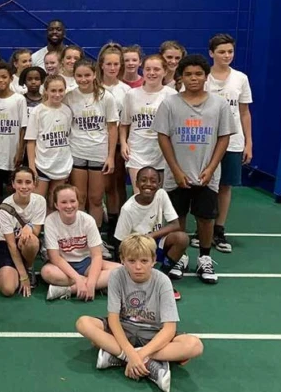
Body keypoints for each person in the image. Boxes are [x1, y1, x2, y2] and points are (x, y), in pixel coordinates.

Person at [75, 234, 204, 392]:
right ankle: (149, 364)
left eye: (144, 261)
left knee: (194, 345)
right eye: (131, 261)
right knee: (84, 323)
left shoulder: (162, 281)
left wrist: (140, 354)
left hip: (153, 334)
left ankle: (117, 355)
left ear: (153, 260)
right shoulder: (116, 275)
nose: (138, 267)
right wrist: (131, 353)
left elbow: (169, 329)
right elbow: (113, 319)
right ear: (122, 260)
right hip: (125, 328)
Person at [152, 54, 236, 284]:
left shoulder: (218, 104)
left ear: (206, 76)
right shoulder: (170, 103)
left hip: (206, 175)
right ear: (181, 77)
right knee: (177, 218)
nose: (193, 78)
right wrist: (176, 170)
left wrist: (210, 168)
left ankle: (205, 258)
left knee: (206, 218)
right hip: (176, 175)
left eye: (198, 74)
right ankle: (180, 256)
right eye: (188, 74)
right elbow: (163, 137)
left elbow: (223, 138)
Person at [199, 33, 253, 253]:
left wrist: (249, 142)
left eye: (230, 51)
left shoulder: (240, 78)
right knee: (203, 184)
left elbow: (244, 112)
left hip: (233, 141)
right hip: (205, 141)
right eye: (221, 51)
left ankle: (219, 230)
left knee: (225, 186)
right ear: (211, 53)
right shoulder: (203, 77)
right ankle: (204, 229)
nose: (226, 55)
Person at [65, 59, 119, 257]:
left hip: (98, 152)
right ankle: (78, 239)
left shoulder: (106, 97)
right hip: (77, 151)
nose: (83, 79)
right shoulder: (69, 96)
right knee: (79, 199)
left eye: (87, 75)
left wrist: (111, 156)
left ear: (94, 74)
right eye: (79, 75)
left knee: (96, 199)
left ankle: (95, 240)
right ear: (74, 76)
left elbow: (112, 126)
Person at [114, 166, 188, 300]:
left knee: (182, 238)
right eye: (143, 180)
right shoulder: (128, 209)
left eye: (153, 181)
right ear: (136, 184)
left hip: (155, 242)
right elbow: (120, 242)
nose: (148, 184)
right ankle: (142, 280)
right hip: (136, 249)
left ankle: (160, 277)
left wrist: (150, 236)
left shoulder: (161, 195)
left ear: (159, 184)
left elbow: (175, 224)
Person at [41, 184, 122, 301]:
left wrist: (92, 283)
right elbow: (55, 258)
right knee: (46, 272)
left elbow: (97, 255)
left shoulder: (88, 220)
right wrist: (78, 279)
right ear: (56, 205)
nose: (69, 206)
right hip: (63, 266)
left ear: (78, 202)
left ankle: (68, 290)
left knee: (121, 270)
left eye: (72, 201)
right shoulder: (50, 221)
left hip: (86, 263)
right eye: (63, 202)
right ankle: (99, 285)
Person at [121, 55, 178, 191]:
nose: (152, 73)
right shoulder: (131, 94)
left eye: (156, 69)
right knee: (139, 195)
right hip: (136, 151)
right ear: (143, 71)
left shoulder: (171, 95)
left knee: (158, 197)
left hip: (161, 153)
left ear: (164, 71)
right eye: (148, 69)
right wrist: (123, 143)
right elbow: (124, 124)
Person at [98, 43, 133, 253]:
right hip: (93, 144)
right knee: (95, 189)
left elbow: (126, 121)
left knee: (116, 186)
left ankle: (116, 226)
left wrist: (123, 143)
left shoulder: (126, 90)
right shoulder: (92, 87)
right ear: (101, 65)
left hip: (117, 144)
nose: (112, 67)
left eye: (116, 64)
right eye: (108, 64)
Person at [0, 62, 27, 230]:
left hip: (12, 151)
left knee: (11, 187)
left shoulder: (18, 99)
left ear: (10, 78)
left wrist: (20, 151)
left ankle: (11, 219)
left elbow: (23, 127)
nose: (0, 80)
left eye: (4, 77)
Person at [0, 166, 46, 298]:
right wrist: (23, 278)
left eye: (28, 182)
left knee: (32, 241)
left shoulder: (40, 201)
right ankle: (19, 271)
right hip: (7, 244)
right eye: (19, 182)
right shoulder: (5, 207)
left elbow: (36, 231)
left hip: (27, 242)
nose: (24, 186)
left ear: (34, 184)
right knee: (8, 289)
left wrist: (28, 226)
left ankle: (28, 267)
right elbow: (11, 245)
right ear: (13, 184)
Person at [25, 75, 73, 207]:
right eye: (53, 91)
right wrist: (31, 166)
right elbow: (31, 141)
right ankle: (37, 228)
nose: (57, 94)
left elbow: (67, 136)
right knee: (38, 203)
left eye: (60, 90)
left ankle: (51, 228)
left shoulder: (67, 111)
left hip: (62, 164)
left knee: (55, 203)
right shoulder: (38, 111)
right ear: (45, 91)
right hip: (42, 164)